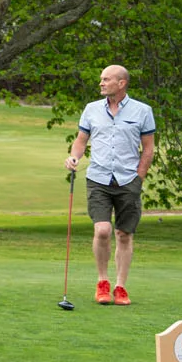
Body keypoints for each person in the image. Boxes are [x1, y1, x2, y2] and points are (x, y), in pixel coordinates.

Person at [67, 65, 156, 305]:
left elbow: (148, 148)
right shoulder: (91, 110)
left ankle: (121, 286)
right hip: (98, 178)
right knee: (103, 230)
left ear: (121, 83)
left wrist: (140, 177)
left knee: (124, 234)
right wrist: (75, 157)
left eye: (106, 79)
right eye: (101, 79)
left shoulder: (143, 111)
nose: (101, 83)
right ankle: (102, 281)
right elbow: (81, 140)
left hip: (129, 180)